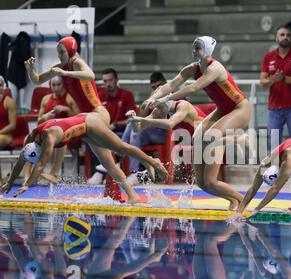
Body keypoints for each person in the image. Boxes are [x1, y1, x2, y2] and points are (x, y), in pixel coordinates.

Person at [143, 36, 253, 210]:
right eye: (194, 47)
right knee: (204, 181)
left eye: (198, 48)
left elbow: (193, 88)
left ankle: (240, 139)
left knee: (209, 137)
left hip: (240, 108)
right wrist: (152, 98)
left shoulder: (215, 68)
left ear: (208, 50)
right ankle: (234, 200)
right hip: (222, 110)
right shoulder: (192, 69)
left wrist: (166, 98)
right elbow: (170, 84)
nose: (195, 51)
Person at [0, 112, 168, 203]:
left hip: (89, 123)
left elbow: (41, 165)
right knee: (108, 163)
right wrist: (10, 181)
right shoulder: (30, 139)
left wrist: (27, 184)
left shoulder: (48, 138)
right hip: (82, 131)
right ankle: (132, 195)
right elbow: (20, 162)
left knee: (121, 148)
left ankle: (153, 162)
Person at [88, 71, 170, 185]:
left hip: (166, 134)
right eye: (154, 87)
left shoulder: (172, 96)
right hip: (147, 132)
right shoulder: (153, 99)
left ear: (165, 84)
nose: (157, 89)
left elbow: (169, 122)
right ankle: (126, 168)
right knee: (132, 125)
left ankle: (121, 163)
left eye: (159, 86)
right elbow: (142, 118)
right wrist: (149, 101)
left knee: (133, 130)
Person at [24, 36, 110, 125]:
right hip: (86, 116)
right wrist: (30, 70)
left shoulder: (77, 63)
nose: (59, 56)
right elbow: (38, 80)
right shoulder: (60, 67)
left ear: (71, 51)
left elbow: (91, 75)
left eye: (62, 52)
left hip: (97, 113)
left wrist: (65, 73)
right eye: (58, 53)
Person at [260, 25, 291, 154]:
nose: (285, 37)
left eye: (288, 35)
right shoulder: (268, 57)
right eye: (282, 34)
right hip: (274, 108)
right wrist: (273, 80)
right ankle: (274, 172)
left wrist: (284, 79)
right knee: (273, 143)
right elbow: (262, 83)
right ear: (276, 38)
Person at [23, 76, 80, 183]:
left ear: (63, 85)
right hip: (47, 131)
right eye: (54, 85)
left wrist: (66, 109)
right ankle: (27, 175)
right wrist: (46, 116)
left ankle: (54, 173)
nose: (56, 88)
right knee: (28, 139)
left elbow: (78, 117)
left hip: (66, 132)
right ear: (50, 86)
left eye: (59, 85)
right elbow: (39, 120)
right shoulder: (46, 99)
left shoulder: (69, 98)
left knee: (60, 139)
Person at [86, 68, 136, 184]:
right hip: (103, 132)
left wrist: (115, 125)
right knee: (89, 137)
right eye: (105, 81)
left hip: (121, 132)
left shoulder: (127, 95)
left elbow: (131, 120)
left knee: (115, 137)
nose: (107, 84)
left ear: (116, 80)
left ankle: (102, 171)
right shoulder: (99, 97)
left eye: (110, 80)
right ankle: (101, 169)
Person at [0, 75, 17, 184]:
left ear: (4, 87)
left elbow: (12, 125)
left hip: (6, 135)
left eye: (0, 85)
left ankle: (0, 179)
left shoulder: (9, 102)